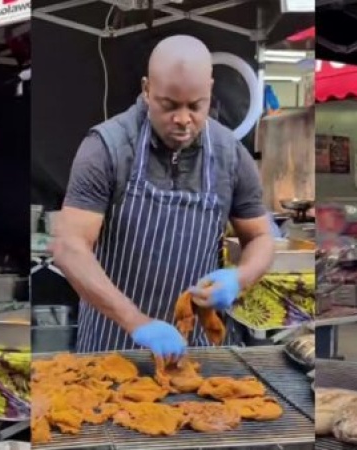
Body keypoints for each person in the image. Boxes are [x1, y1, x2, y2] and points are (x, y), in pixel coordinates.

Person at [52, 35, 274, 359]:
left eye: (195, 106)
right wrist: (137, 322)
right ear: (146, 89)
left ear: (210, 90)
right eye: (169, 105)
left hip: (195, 351)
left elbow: (261, 237)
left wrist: (240, 277)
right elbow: (68, 247)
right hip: (110, 347)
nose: (183, 119)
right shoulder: (107, 148)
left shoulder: (231, 155)